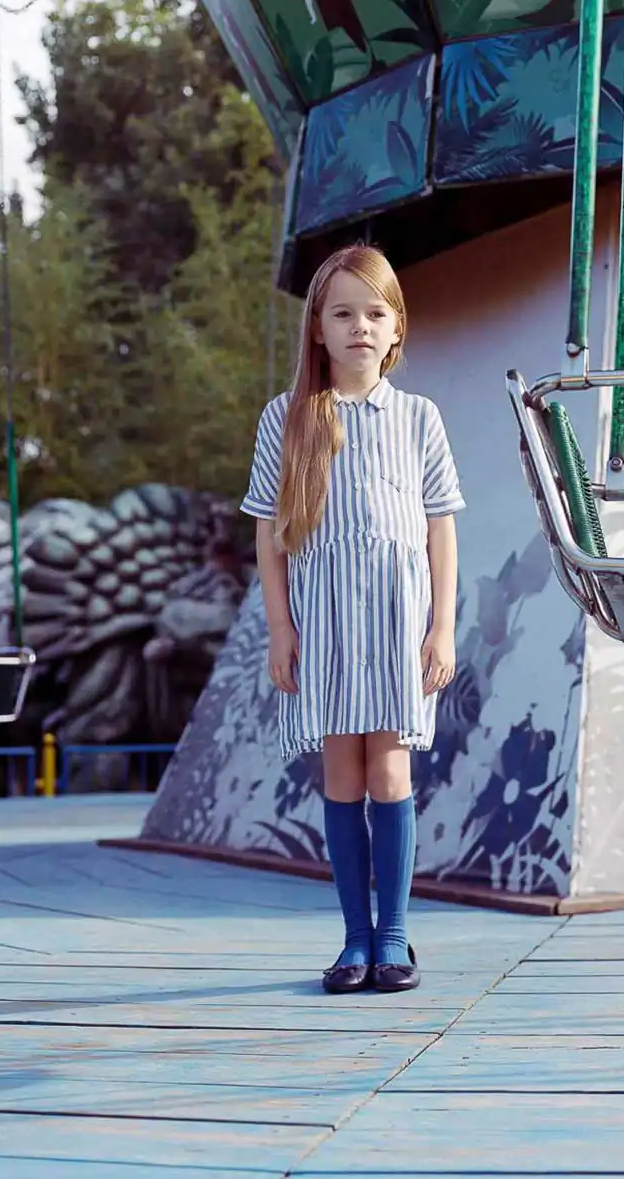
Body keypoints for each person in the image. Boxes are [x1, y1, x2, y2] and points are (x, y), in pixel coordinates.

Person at [240, 244, 464, 994]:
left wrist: (441, 627)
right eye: (342, 313)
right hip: (326, 627)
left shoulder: (420, 417)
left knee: (390, 770)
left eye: (374, 313)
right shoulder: (287, 419)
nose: (359, 326)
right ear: (318, 328)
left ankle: (394, 936)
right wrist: (281, 629)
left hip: (399, 627)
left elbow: (440, 531)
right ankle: (355, 940)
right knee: (341, 772)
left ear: (396, 327)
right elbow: (270, 537)